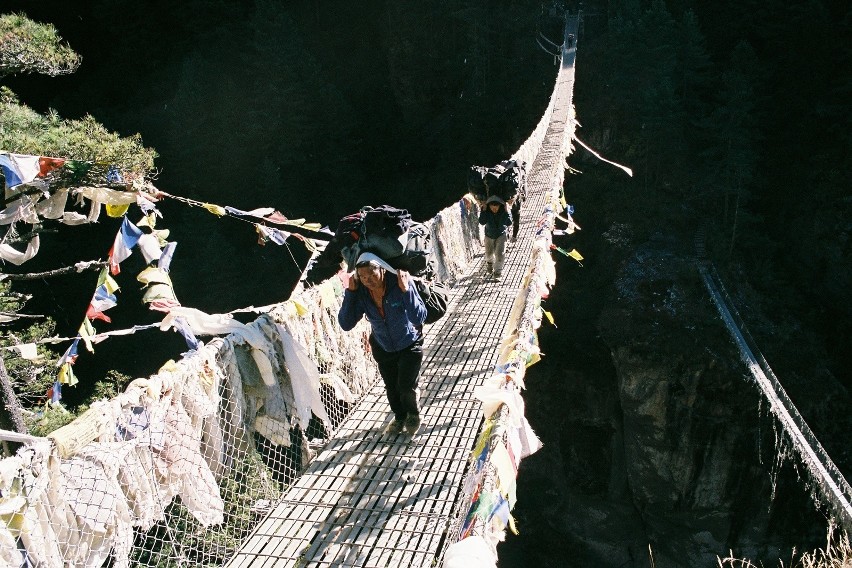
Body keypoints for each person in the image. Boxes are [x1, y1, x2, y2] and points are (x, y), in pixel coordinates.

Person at [338, 252, 427, 436]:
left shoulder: (399, 285)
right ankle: (399, 416)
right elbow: (346, 323)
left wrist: (407, 290)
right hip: (383, 345)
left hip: (409, 343)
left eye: (372, 274)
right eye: (362, 277)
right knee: (391, 387)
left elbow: (419, 316)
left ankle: (413, 414)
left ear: (383, 271)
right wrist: (351, 292)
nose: (368, 280)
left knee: (405, 386)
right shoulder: (362, 293)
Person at [478, 195, 512, 279]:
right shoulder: (486, 211)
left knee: (500, 254)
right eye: (492, 206)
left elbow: (509, 223)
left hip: (501, 234)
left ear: (499, 205)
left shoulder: (503, 211)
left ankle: (498, 273)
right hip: (489, 235)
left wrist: (507, 212)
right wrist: (484, 211)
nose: (494, 209)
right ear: (489, 206)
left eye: (496, 206)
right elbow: (482, 222)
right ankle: (489, 263)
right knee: (489, 254)